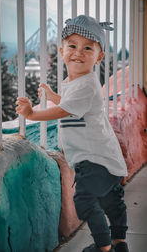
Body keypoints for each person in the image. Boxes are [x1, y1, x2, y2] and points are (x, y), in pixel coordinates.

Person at [16, 15, 129, 252]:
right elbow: (70, 104)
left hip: (95, 159)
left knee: (84, 200)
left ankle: (103, 247)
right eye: (72, 46)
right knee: (111, 200)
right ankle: (119, 242)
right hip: (102, 156)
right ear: (62, 50)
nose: (78, 52)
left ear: (98, 57)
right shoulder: (77, 82)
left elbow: (64, 110)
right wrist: (51, 93)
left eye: (88, 48)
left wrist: (32, 114)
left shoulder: (86, 85)